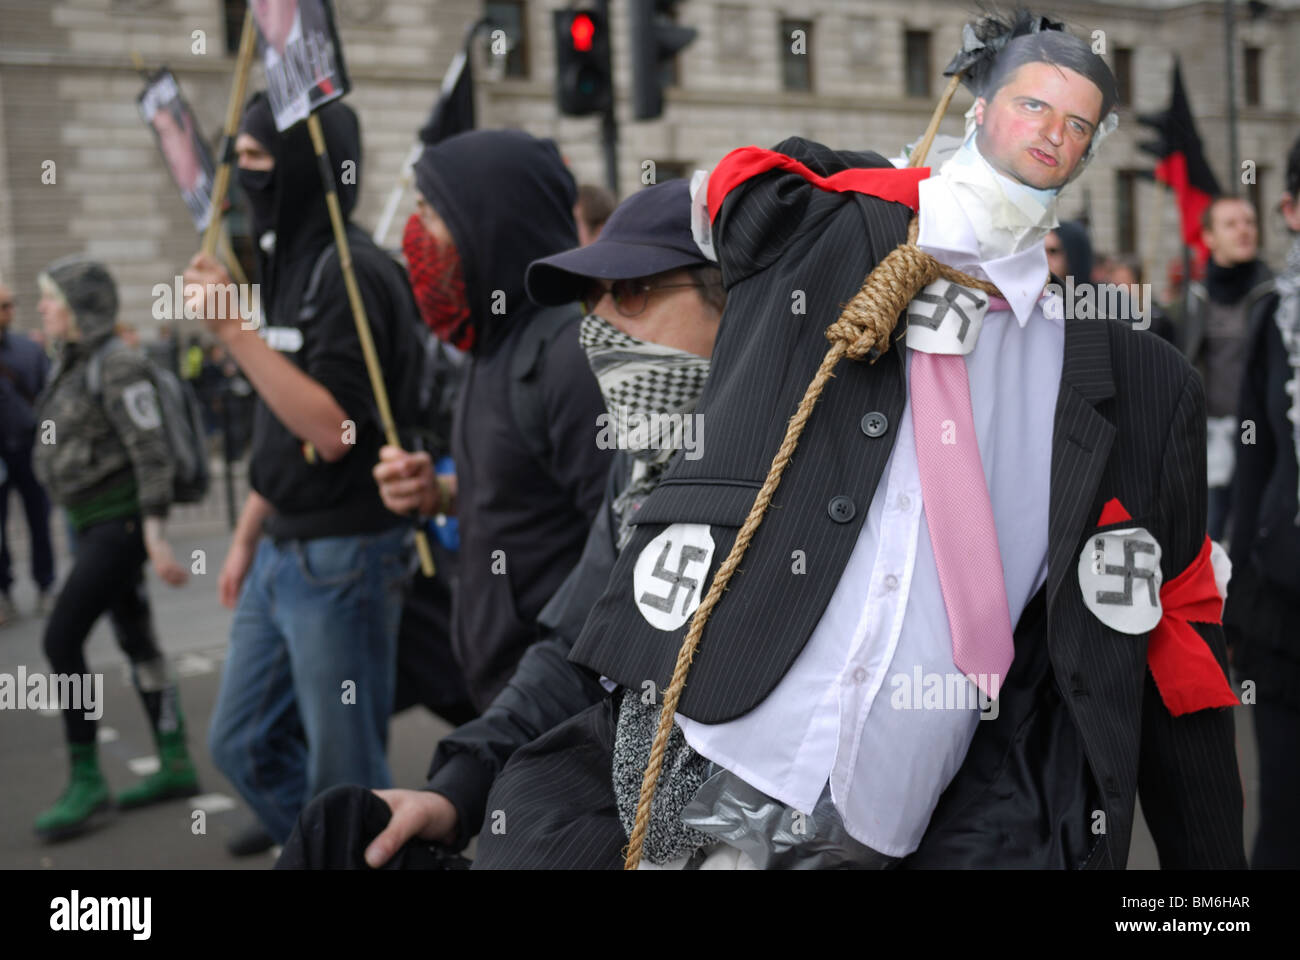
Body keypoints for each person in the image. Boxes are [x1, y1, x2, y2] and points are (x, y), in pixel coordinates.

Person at [471, 12, 1245, 869]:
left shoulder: (1140, 385)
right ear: (976, 109)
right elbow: (735, 195)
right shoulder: (831, 247)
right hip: (698, 760)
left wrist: (1210, 899)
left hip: (901, 824)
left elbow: (1180, 642)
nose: (1050, 135)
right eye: (1031, 105)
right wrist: (895, 193)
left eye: (1077, 123)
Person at [275, 178, 726, 868]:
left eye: (631, 294)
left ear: (738, 300)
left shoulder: (827, 479)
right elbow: (582, 648)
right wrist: (455, 791)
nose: (600, 329)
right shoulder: (642, 464)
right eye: (590, 302)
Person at [183, 93, 422, 856]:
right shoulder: (286, 260)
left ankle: (352, 850)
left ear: (301, 165)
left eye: (255, 158)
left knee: (346, 776)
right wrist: (249, 533)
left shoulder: (351, 273)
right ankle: (322, 851)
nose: (239, 174)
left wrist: (232, 330)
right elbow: (280, 426)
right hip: (282, 548)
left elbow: (335, 428)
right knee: (241, 741)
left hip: (343, 555)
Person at [375, 129, 614, 710]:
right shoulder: (490, 345)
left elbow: (623, 546)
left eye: (429, 211)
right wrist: (441, 493)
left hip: (560, 709)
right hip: (505, 694)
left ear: (490, 222)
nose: (414, 233)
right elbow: (528, 495)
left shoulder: (570, 358)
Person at [30, 257, 199, 841]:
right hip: (91, 524)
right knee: (137, 639)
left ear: (80, 308)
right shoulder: (70, 364)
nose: (43, 308)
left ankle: (86, 780)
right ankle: (175, 759)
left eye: (52, 299)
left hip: (118, 527)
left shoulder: (118, 364)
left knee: (60, 638)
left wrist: (153, 535)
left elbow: (150, 452)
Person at [1224, 132, 1300, 869]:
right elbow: (1255, 463)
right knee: (1283, 810)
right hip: (1285, 604)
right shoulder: (1273, 320)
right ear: (1290, 210)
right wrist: (1238, 586)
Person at [1179, 195, 1273, 541]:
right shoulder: (1194, 298)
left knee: (1257, 530)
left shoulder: (1274, 294)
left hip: (1261, 433)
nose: (1244, 231)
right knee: (1211, 533)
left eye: (1249, 222)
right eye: (1231, 224)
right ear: (1209, 237)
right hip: (1210, 436)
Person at [0, 279, 55, 624]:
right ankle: (3, 591)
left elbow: (49, 404)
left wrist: (48, 448)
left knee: (40, 521)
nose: (8, 312)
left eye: (10, 304)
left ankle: (45, 586)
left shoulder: (28, 350)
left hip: (28, 449)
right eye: (2, 306)